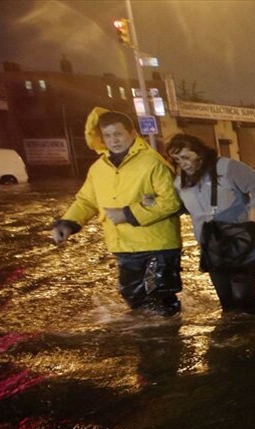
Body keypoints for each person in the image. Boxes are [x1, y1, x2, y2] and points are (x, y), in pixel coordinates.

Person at [51, 108, 183, 316]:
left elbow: (172, 201)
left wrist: (127, 214)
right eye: (108, 135)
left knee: (160, 300)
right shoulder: (98, 168)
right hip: (123, 245)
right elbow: (86, 200)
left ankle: (169, 344)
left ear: (131, 133)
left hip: (158, 246)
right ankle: (147, 344)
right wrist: (67, 223)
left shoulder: (152, 162)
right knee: (135, 300)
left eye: (118, 134)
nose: (114, 140)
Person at [165, 133, 255, 316]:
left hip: (240, 243)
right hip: (211, 247)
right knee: (227, 302)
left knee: (243, 299)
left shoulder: (228, 167)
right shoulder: (180, 181)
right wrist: (153, 202)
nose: (182, 163)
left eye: (185, 157)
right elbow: (181, 207)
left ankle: (253, 337)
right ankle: (235, 338)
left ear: (199, 152)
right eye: (177, 159)